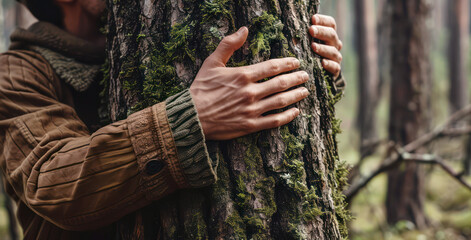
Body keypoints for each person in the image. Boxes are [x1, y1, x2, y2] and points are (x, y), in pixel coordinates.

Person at [0, 0, 344, 238]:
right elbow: (52, 182)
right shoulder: (15, 73)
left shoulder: (126, 51)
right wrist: (187, 119)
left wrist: (315, 66)